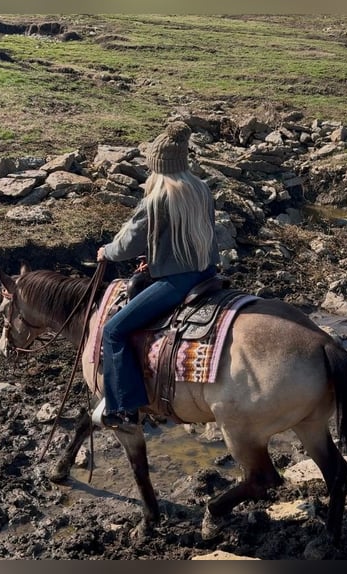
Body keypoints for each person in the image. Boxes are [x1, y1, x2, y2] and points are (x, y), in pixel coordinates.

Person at [92, 121, 220, 431]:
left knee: (113, 331)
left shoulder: (157, 199)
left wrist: (105, 252)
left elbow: (126, 244)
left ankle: (124, 407)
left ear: (157, 167)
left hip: (177, 281)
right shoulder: (200, 189)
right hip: (207, 271)